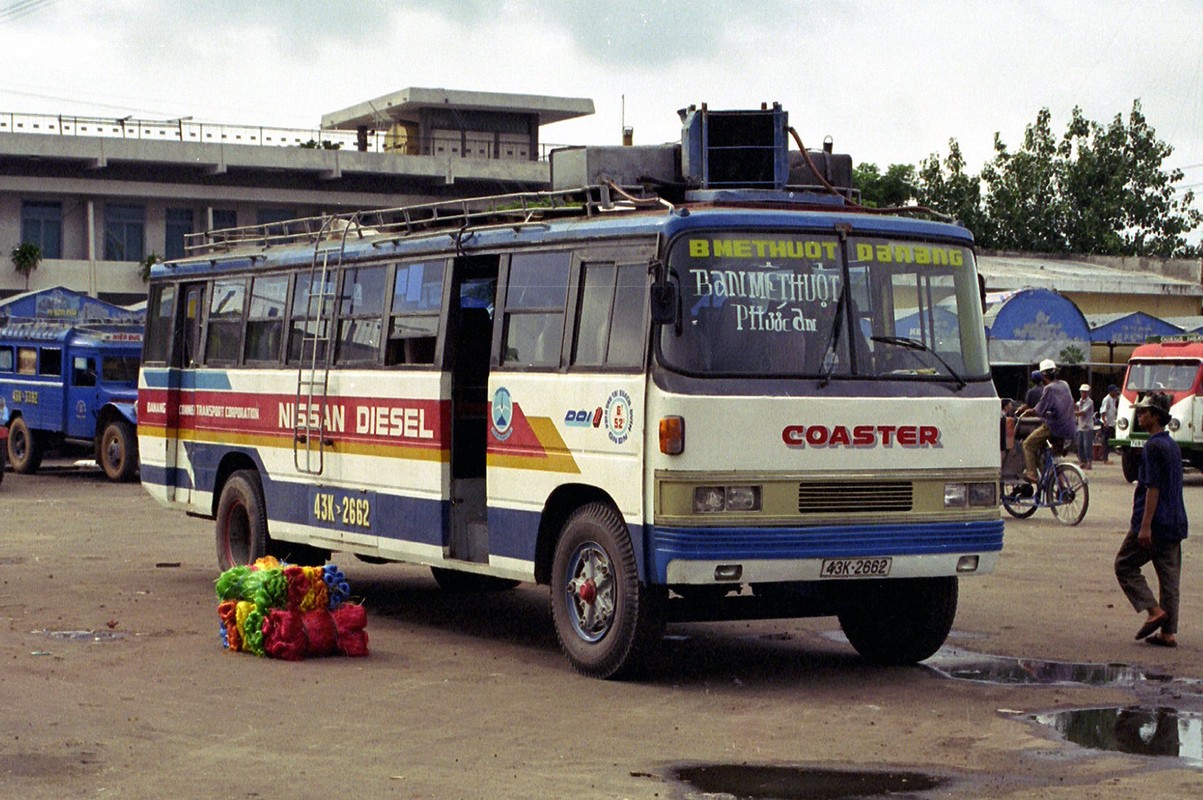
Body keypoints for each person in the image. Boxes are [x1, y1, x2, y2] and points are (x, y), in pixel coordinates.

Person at [1114, 392, 1188, 648]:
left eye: (1144, 412)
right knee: (1169, 578)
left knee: (1124, 565)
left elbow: (1152, 489)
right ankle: (1168, 633)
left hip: (1154, 523)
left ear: (1156, 417)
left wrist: (1144, 527)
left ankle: (1153, 611)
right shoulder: (1172, 445)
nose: (1140, 416)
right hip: (1174, 521)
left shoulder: (1153, 446)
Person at [1020, 359, 1076, 484]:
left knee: (1028, 445)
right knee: (1048, 457)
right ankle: (1060, 486)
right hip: (1070, 428)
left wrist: (1027, 412)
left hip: (1055, 427)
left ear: (1043, 375)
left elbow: (1038, 409)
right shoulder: (1064, 384)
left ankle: (1032, 473)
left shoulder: (1048, 389)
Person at [1075, 383, 1095, 470]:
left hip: (1088, 427)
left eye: (1085, 392)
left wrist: (1072, 413)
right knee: (1079, 445)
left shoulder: (1089, 402)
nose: (1083, 394)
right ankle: (1083, 461)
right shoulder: (1079, 401)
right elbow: (1076, 408)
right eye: (1082, 392)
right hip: (1080, 426)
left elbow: (1082, 412)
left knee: (1087, 445)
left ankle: (1089, 462)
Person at [1098, 384, 1120, 464]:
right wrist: (1104, 422)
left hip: (1112, 423)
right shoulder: (1106, 399)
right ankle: (1105, 458)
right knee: (1105, 442)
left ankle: (1104, 455)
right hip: (1107, 423)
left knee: (1109, 441)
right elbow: (1103, 412)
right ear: (1110, 392)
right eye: (1114, 391)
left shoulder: (1113, 399)